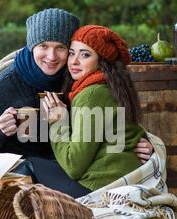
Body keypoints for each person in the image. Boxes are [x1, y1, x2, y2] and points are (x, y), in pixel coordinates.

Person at [0, 9, 153, 181]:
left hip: (67, 169)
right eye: (43, 46)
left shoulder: (74, 76)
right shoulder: (7, 84)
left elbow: (105, 113)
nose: (52, 56)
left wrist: (134, 142)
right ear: (32, 47)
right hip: (20, 175)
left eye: (61, 48)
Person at [28, 25, 148, 197]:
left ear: (102, 61)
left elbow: (73, 166)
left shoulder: (91, 94)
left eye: (85, 54)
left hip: (99, 187)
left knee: (27, 164)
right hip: (121, 179)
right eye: (71, 53)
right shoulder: (113, 86)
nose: (74, 61)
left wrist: (57, 121)